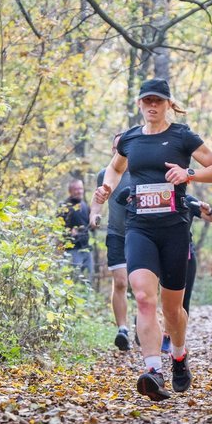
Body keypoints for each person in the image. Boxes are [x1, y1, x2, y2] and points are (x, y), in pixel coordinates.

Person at [92, 78, 212, 401]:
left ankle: (178, 356)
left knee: (172, 309)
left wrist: (188, 174)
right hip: (139, 227)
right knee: (142, 297)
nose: (152, 106)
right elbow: (114, 168)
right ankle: (153, 370)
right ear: (139, 104)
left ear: (168, 104)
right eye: (147, 101)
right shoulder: (130, 139)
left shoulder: (182, 136)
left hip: (174, 229)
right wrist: (106, 188)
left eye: (158, 101)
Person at [162, 194, 212, 351]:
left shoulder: (187, 200)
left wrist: (208, 211)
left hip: (185, 255)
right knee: (160, 299)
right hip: (159, 255)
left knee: (182, 301)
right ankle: (159, 333)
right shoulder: (154, 195)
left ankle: (175, 339)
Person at [90, 134, 133, 351]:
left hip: (141, 234)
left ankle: (145, 321)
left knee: (145, 286)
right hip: (116, 234)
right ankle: (122, 330)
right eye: (116, 148)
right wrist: (94, 215)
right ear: (111, 150)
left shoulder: (139, 173)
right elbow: (97, 199)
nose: (119, 152)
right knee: (121, 282)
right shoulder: (104, 175)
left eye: (123, 148)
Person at [59, 179, 93, 283]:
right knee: (74, 281)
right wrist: (69, 232)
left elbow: (90, 225)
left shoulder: (85, 206)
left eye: (81, 188)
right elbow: (57, 228)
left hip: (86, 249)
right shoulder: (64, 206)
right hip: (72, 250)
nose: (79, 191)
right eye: (76, 189)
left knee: (87, 282)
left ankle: (88, 299)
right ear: (70, 191)